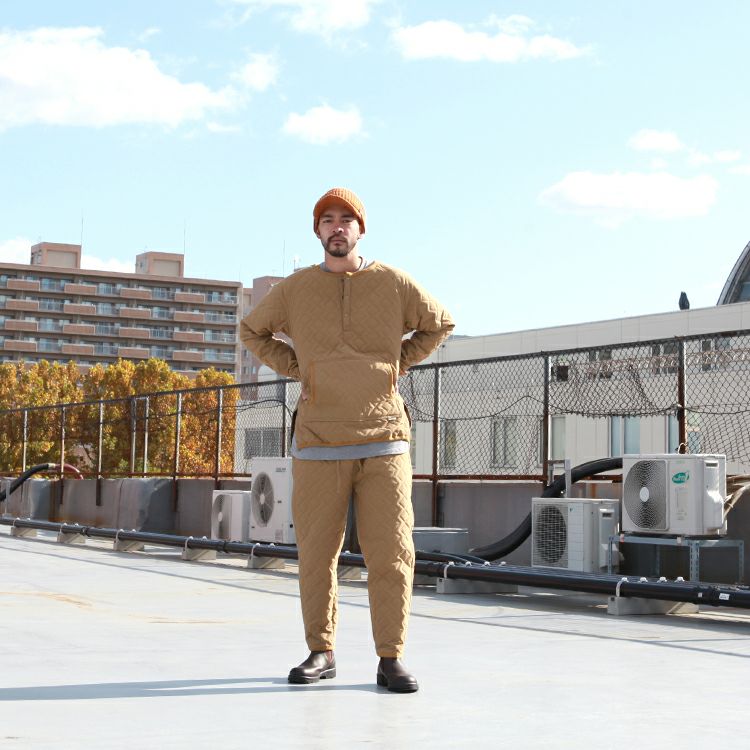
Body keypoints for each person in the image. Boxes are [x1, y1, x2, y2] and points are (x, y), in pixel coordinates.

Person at [240, 187, 454, 693]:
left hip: (385, 439)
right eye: (327, 220)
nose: (337, 227)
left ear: (361, 229)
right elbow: (252, 332)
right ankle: (321, 650)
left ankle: (390, 657)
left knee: (393, 553)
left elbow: (440, 323)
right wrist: (300, 369)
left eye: (346, 219)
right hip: (318, 439)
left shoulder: (393, 282)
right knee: (317, 553)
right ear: (317, 231)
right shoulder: (295, 289)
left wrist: (395, 365)